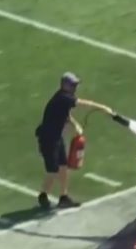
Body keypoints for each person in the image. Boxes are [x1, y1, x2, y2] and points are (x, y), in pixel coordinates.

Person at [34, 72, 113, 210]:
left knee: (63, 167)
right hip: (48, 139)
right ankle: (43, 196)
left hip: (56, 137)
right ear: (64, 85)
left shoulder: (63, 99)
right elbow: (83, 103)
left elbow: (64, 114)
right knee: (52, 170)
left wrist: (74, 124)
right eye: (72, 85)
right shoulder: (63, 97)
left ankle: (63, 197)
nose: (75, 87)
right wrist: (103, 108)